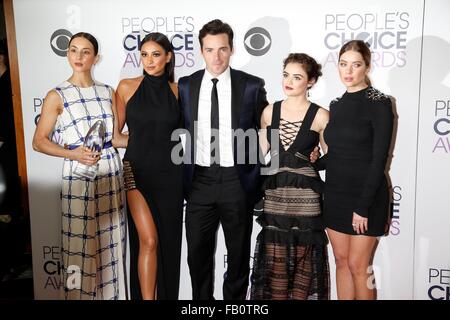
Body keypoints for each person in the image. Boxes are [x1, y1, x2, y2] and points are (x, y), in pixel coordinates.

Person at [178, 19, 268, 300]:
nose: (216, 57)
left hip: (236, 182)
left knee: (239, 256)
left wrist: (260, 170)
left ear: (231, 50)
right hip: (199, 182)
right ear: (201, 51)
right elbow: (176, 129)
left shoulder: (251, 86)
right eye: (209, 50)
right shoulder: (186, 85)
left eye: (222, 49)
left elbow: (269, 128)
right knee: (196, 257)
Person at [32, 32, 127, 300]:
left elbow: (117, 138)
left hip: (110, 173)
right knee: (79, 244)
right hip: (78, 175)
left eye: (86, 52)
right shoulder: (57, 95)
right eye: (73, 50)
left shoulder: (108, 91)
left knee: (111, 243)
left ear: (96, 57)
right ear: (67, 54)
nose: (78, 56)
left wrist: (156, 138)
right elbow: (39, 142)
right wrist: (73, 154)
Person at [250, 53, 330, 300]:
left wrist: (316, 158)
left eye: (297, 77)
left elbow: (332, 158)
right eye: (286, 75)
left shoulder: (321, 115)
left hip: (306, 201)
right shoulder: (268, 112)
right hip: (275, 198)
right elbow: (260, 156)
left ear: (311, 81)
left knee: (304, 270)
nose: (289, 81)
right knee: (276, 268)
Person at [322, 40, 394, 300]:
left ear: (367, 66)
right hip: (335, 195)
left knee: (358, 266)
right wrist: (313, 160)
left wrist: (363, 206)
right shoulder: (336, 104)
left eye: (356, 64)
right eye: (343, 64)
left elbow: (379, 159)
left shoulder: (380, 102)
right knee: (341, 262)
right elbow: (338, 154)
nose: (348, 71)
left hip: (366, 196)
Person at [114, 32, 183, 300]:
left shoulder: (179, 91)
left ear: (168, 57)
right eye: (144, 54)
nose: (149, 60)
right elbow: (115, 136)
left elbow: (187, 135)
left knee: (166, 243)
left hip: (170, 176)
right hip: (136, 171)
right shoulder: (126, 87)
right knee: (148, 240)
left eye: (155, 54)